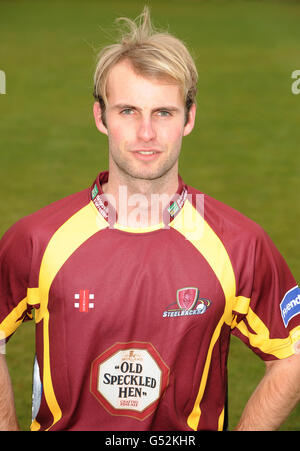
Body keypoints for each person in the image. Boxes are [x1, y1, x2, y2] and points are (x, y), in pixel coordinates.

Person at [0, 6, 300, 432]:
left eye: (163, 112)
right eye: (128, 111)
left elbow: (291, 353)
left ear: (189, 119)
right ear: (100, 117)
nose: (146, 133)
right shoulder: (38, 239)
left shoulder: (239, 245)